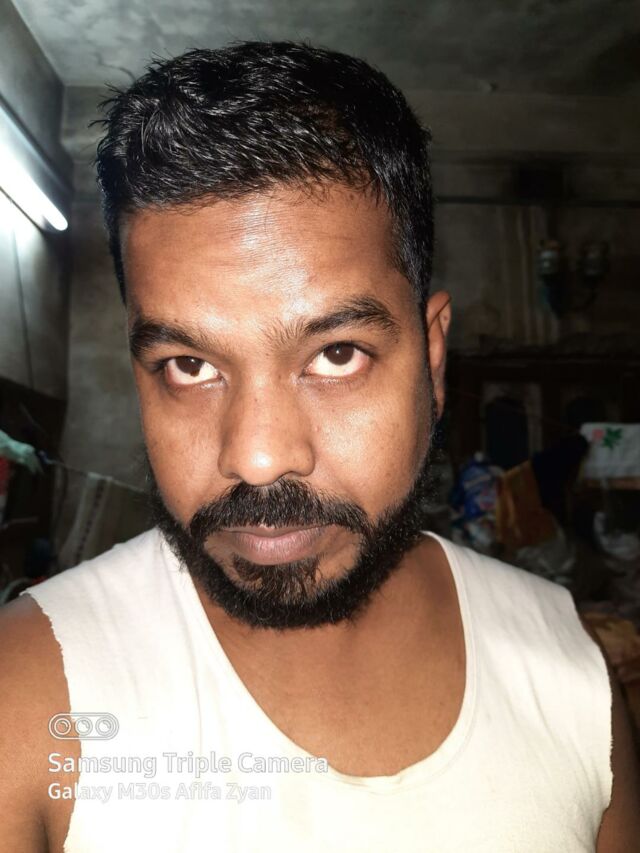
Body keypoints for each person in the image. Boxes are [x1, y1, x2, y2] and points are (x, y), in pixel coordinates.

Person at [0, 41, 638, 853]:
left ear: (433, 359)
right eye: (189, 365)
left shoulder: (573, 679)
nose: (258, 457)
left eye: (337, 354)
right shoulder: (28, 696)